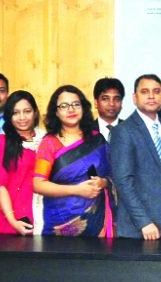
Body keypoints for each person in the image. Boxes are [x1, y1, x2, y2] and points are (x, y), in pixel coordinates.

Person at [33, 85, 114, 237]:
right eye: (64, 106)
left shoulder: (97, 140)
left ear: (83, 108)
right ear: (56, 112)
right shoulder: (49, 144)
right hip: (61, 225)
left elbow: (113, 176)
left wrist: (103, 182)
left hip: (97, 223)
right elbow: (38, 184)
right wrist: (77, 190)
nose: (71, 109)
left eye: (76, 104)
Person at [111, 74, 161, 240]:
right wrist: (143, 221)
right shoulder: (124, 131)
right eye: (145, 91)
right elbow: (123, 181)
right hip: (141, 227)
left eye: (156, 91)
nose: (151, 96)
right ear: (135, 98)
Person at [0, 91, 45, 236]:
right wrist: (13, 221)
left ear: (35, 112)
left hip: (46, 215)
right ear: (9, 116)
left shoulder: (46, 140)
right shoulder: (1, 143)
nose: (22, 118)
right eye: (16, 113)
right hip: (15, 217)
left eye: (27, 111)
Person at [93, 77, 124, 142]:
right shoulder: (85, 131)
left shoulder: (132, 130)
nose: (111, 104)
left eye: (117, 99)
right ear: (96, 103)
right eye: (105, 98)